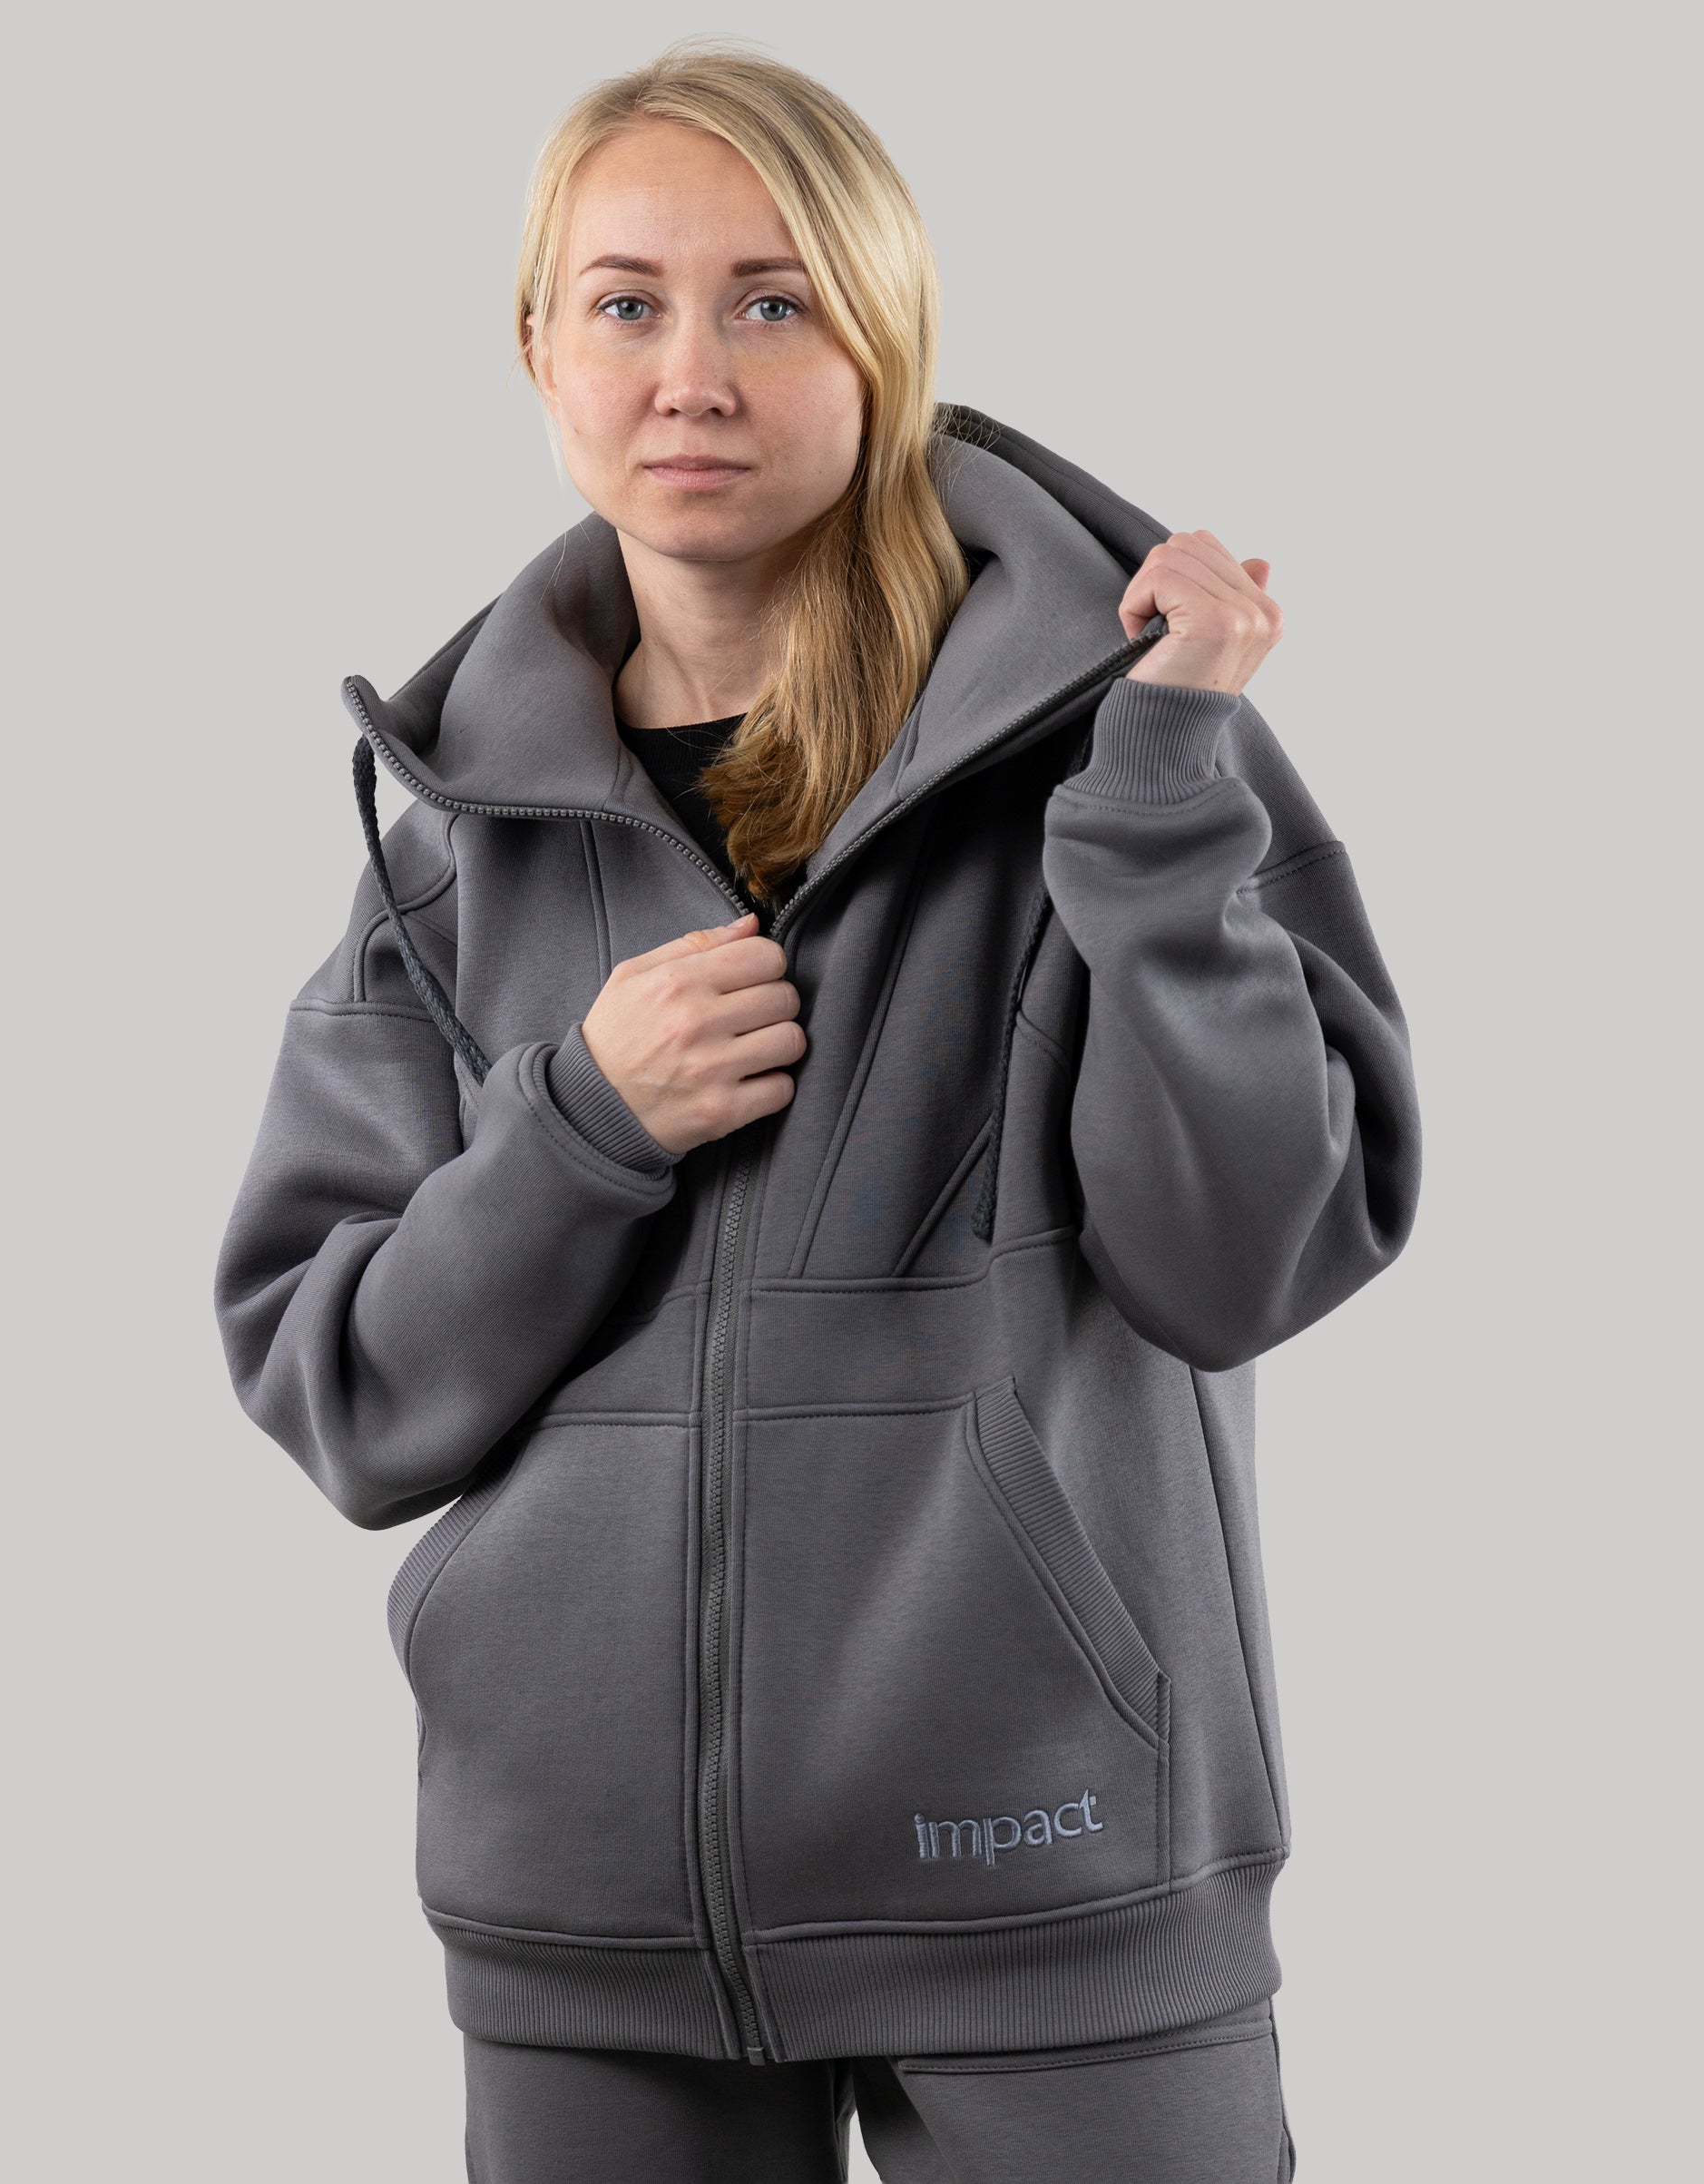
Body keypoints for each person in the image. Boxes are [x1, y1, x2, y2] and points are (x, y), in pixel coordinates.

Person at [214, 39, 1421, 2183]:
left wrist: (1156, 811)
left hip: (1055, 1880)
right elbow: (347, 1394)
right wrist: (580, 1124)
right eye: (627, 301)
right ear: (536, 348)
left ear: (885, 344)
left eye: (772, 301)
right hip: (583, 1919)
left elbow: (1241, 1263)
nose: (692, 372)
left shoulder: (1117, 756)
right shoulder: (453, 846)